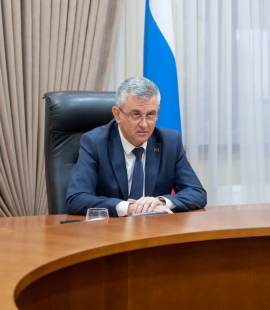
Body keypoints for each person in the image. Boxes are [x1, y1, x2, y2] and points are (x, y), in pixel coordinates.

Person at [66, 77, 207, 217]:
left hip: (156, 227)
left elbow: (196, 192)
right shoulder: (95, 143)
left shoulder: (170, 142)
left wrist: (160, 202)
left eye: (151, 115)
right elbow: (76, 199)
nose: (144, 124)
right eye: (136, 115)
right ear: (117, 114)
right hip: (111, 228)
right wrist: (130, 208)